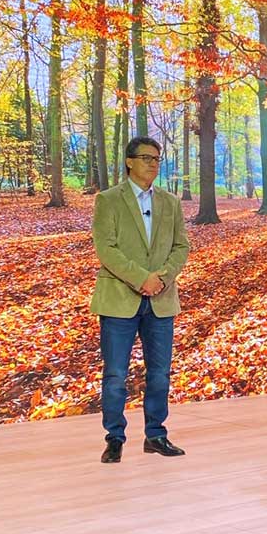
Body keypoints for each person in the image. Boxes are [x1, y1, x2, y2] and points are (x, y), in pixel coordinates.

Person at [91, 136, 191, 463]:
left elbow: (181, 247)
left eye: (157, 159)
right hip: (120, 298)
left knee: (160, 372)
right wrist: (140, 278)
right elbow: (106, 249)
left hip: (161, 299)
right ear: (129, 162)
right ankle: (115, 437)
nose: (152, 164)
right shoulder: (109, 200)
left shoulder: (170, 202)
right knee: (116, 373)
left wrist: (161, 278)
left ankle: (156, 435)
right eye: (146, 158)